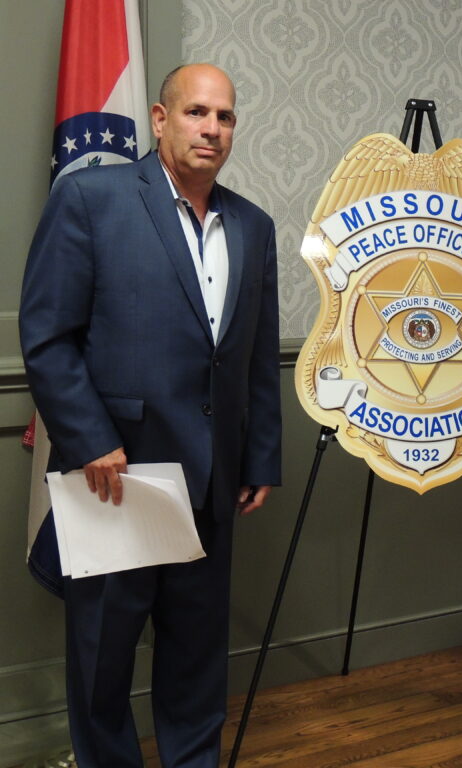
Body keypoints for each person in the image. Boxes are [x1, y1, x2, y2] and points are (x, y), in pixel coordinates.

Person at [19, 63, 282, 768]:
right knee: (102, 663)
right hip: (117, 477)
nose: (213, 129)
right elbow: (47, 336)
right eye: (197, 112)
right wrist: (90, 439)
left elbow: (253, 357)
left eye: (225, 116)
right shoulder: (91, 199)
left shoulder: (253, 226)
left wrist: (259, 457)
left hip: (212, 485)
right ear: (161, 120)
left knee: (197, 662)